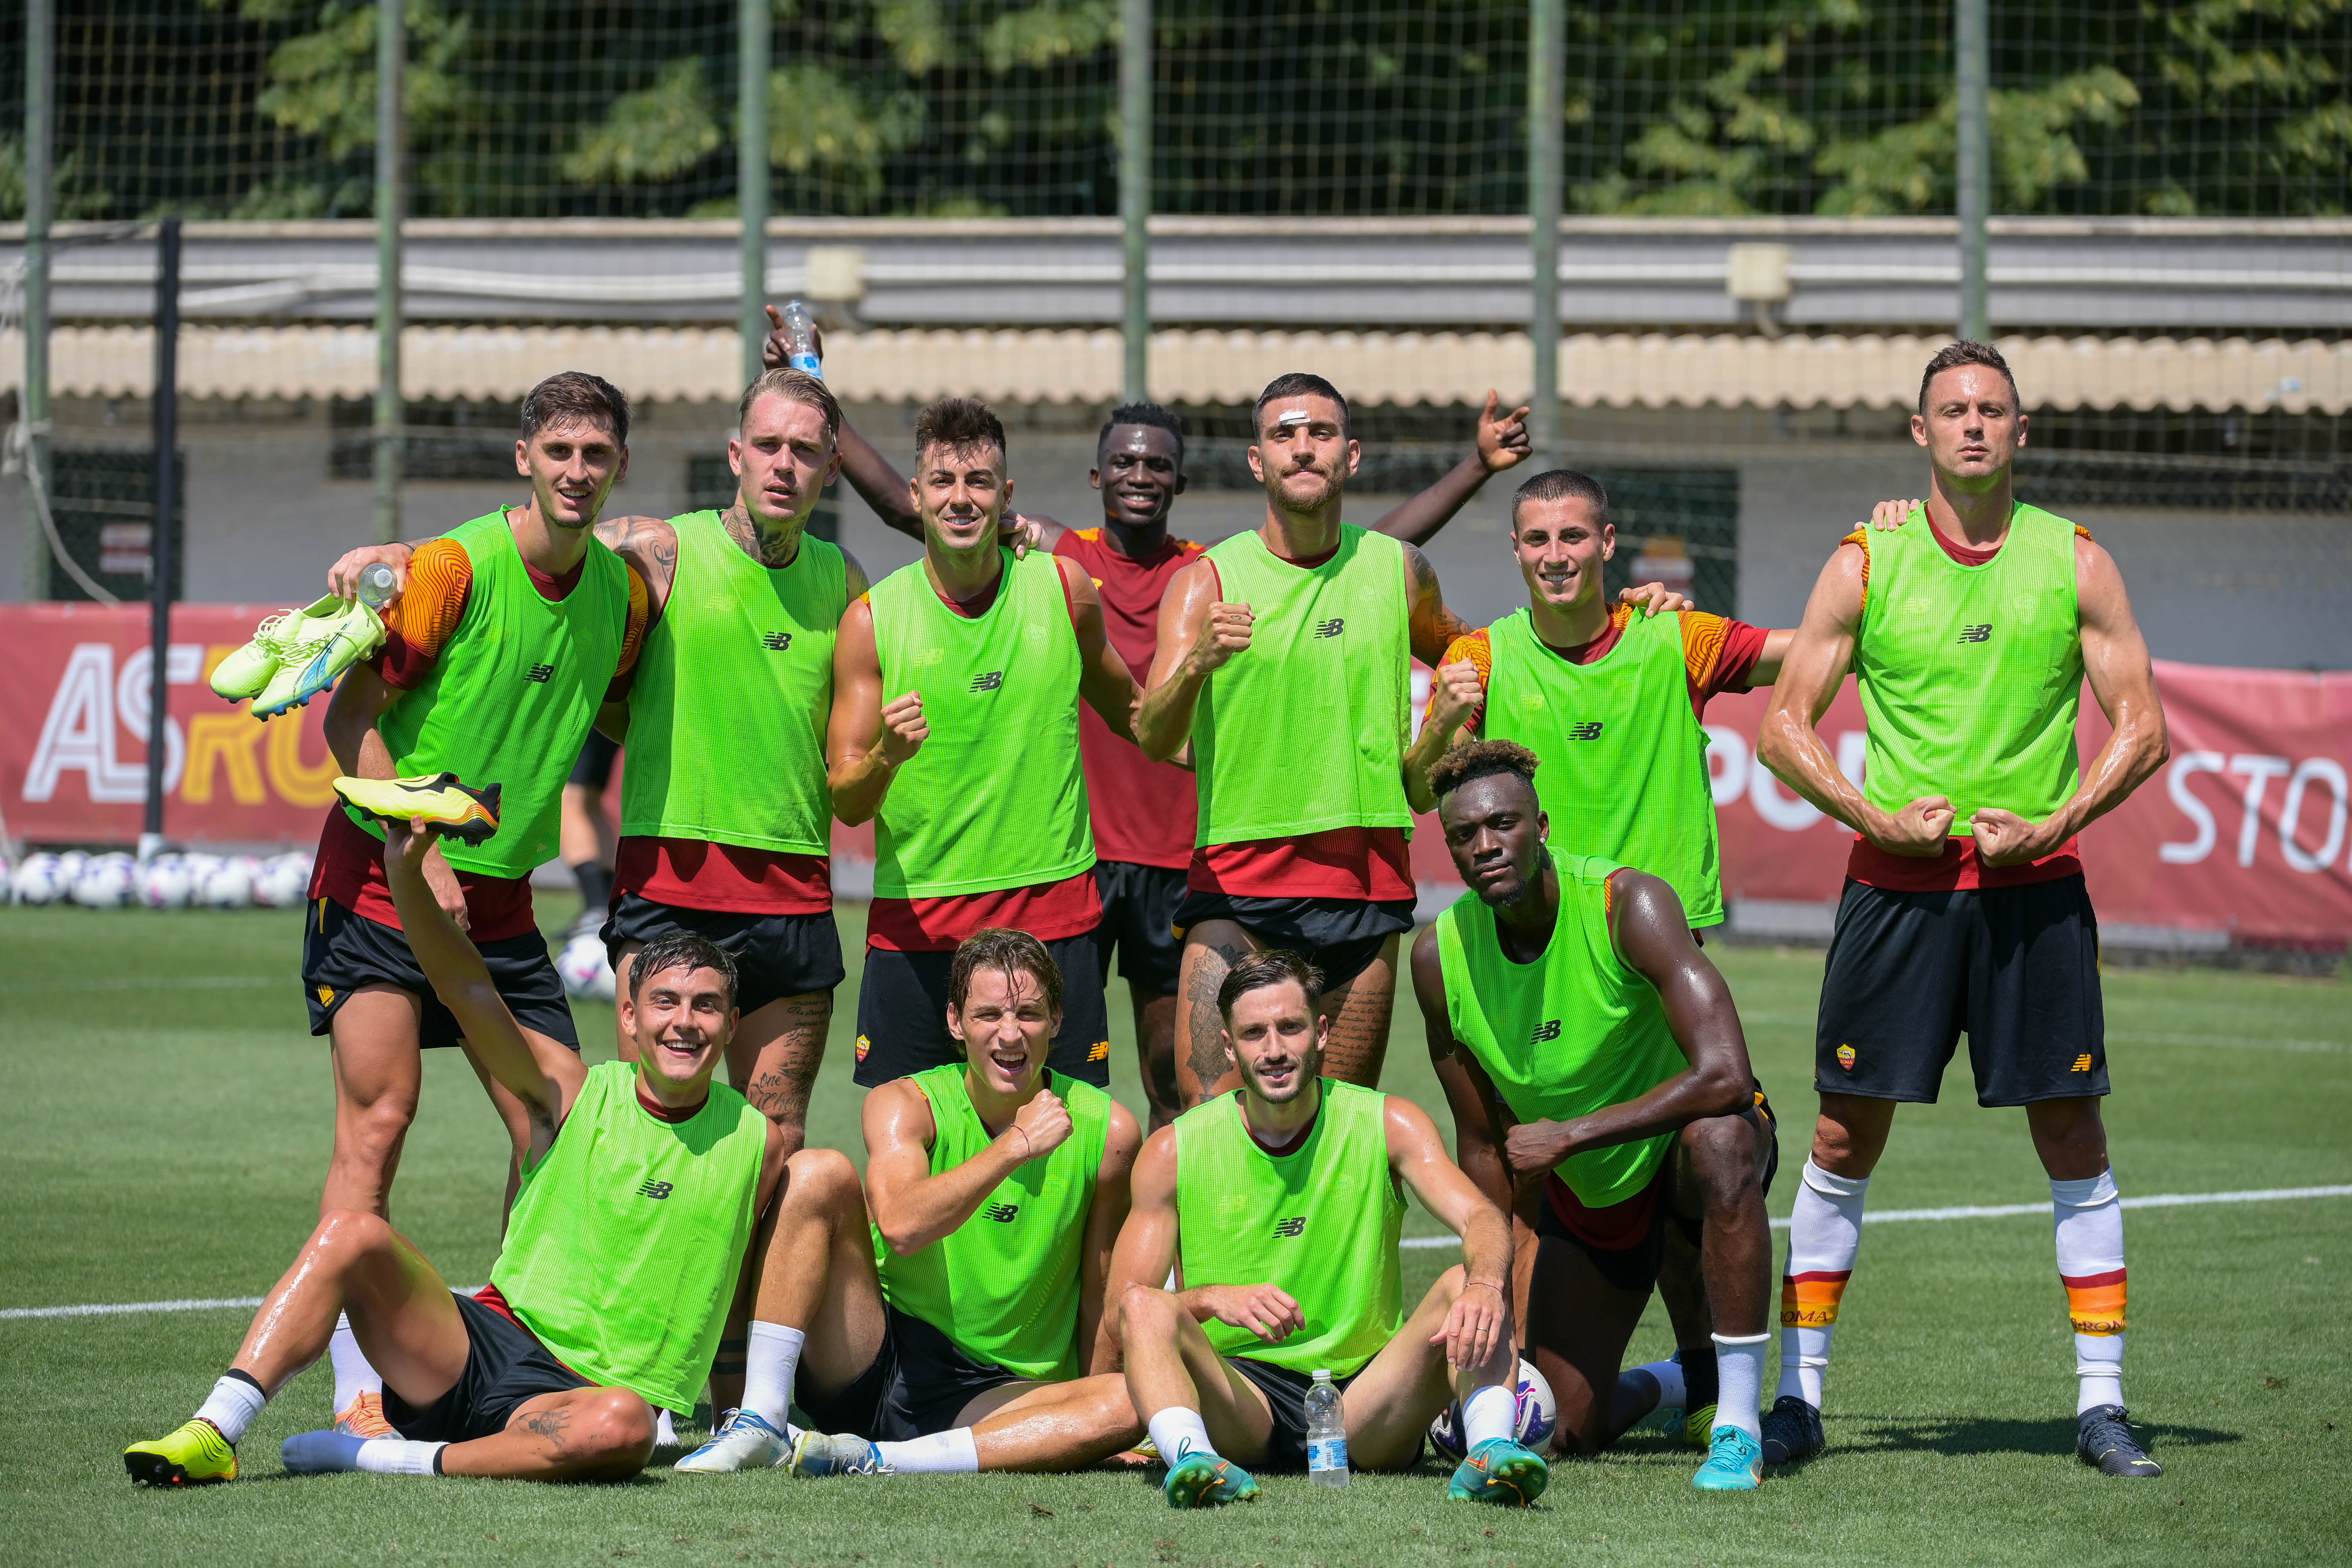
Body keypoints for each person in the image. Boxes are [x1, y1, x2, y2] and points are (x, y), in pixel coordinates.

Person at [797, 340, 1542, 1130]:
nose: (1140, 475)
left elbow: (1359, 560)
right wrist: (816, 389)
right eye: (1123, 463)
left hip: (1157, 864)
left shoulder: (1184, 569)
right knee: (1173, 1114)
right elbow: (905, 503)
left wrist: (1480, 477)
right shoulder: (1066, 559)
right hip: (1118, 868)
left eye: (1158, 465)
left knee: (1165, 1087)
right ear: (1096, 479)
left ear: (1181, 482)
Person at [1757, 340, 2170, 1477]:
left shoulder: (2074, 560)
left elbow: (2142, 726)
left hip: (2033, 895)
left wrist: (2058, 816)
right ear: (1918, 430)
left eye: (1992, 409)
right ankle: (1799, 1398)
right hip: (1894, 894)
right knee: (1843, 1133)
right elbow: (1781, 726)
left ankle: (2099, 1405)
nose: (1973, 426)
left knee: (2071, 1135)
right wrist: (1869, 810)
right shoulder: (1866, 556)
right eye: (1953, 409)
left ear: (2019, 431)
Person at [124, 814, 792, 1486]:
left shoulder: (758, 1142)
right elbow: (468, 988)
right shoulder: (572, 1093)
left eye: (705, 1006)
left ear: (732, 1023)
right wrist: (404, 873)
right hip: (473, 1348)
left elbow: (752, 1280)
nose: (684, 1021)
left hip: (576, 1404)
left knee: (625, 1424)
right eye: (665, 1001)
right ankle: (215, 1428)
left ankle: (379, 1455)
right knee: (352, 1231)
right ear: (629, 1017)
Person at [1135, 373, 1686, 1111]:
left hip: (1364, 888)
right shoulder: (1205, 582)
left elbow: (1492, 656)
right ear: (1255, 460)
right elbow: (1152, 734)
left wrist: (1606, 614)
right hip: (1236, 887)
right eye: (1283, 434)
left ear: (1352, 455)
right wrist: (1199, 662)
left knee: (1338, 1130)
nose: (1303, 448)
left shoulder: (1397, 570)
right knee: (1210, 1125)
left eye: (1321, 433)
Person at [301, 372, 652, 1436]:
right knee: (380, 1121)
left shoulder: (625, 597)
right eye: (560, 452)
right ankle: (357, 1391)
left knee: (558, 1121)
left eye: (596, 454)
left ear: (617, 468)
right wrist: (420, 844)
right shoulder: (450, 569)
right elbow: (346, 719)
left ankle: (510, 1360)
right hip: (375, 876)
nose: (578, 471)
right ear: (524, 459)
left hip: (500, 906)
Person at [1411, 740, 1776, 1490]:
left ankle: (1737, 1423)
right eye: (1463, 835)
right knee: (1560, 1425)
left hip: (1676, 1149)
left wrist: (1573, 1132)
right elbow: (1484, 1146)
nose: (1485, 845)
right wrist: (1495, 1312)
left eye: (1502, 824)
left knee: (1720, 1143)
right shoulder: (1437, 956)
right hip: (1585, 1192)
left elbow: (1727, 1076)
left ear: (1539, 824)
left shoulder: (1626, 902)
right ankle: (1674, 1382)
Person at [673, 928, 1148, 1478]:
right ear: (955, 1021)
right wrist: (1015, 1145)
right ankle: (761, 1419)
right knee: (816, 1171)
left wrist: (1089, 1413)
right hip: (877, 1351)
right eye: (989, 1014)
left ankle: (875, 1459)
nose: (1010, 1035)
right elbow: (900, 1225)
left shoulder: (1109, 1129)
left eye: (1030, 1014)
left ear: (1058, 1021)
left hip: (994, 1390)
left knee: (1126, 1402)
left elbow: (1101, 1282)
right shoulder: (904, 1101)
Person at [1109, 950, 1549, 1508]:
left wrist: (1487, 1283)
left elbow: (1482, 1216)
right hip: (1242, 1401)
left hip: (1367, 1397)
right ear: (1227, 1045)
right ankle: (1195, 1460)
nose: (1273, 1049)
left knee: (1473, 1276)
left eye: (1289, 1026)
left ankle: (1489, 1451)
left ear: (1319, 1032)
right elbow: (1122, 1310)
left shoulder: (1389, 1122)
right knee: (1146, 1306)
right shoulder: (1173, 1148)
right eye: (1253, 1032)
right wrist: (1209, 1299)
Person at [827, 398, 1142, 1090]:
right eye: (942, 481)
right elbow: (847, 801)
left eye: (977, 483)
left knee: (1067, 1152)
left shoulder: (1065, 589)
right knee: (907, 1154)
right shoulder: (871, 619)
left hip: (1052, 920)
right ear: (915, 495)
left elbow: (1139, 718)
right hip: (920, 932)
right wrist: (885, 757)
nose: (959, 498)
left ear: (1005, 496)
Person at [559, 732, 619, 938]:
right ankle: (609, 908)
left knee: (570, 800)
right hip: (612, 709)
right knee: (591, 801)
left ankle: (596, 909)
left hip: (586, 711)